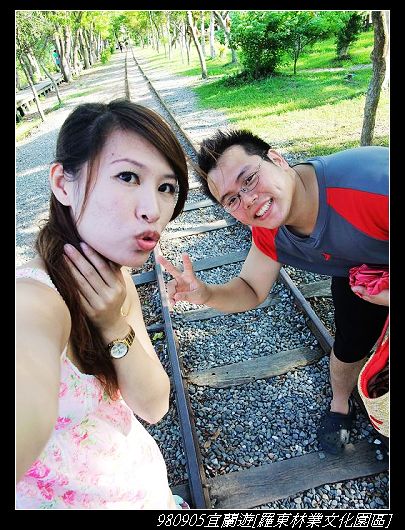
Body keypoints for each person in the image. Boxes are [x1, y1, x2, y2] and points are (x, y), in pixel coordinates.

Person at [158, 129, 388, 455]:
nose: (248, 200)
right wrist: (205, 294)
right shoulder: (269, 228)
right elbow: (251, 288)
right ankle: (340, 404)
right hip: (362, 272)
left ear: (277, 160)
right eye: (232, 200)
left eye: (249, 179)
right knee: (350, 343)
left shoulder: (372, 187)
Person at [16, 99, 190, 509]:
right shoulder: (33, 300)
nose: (153, 210)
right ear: (63, 184)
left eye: (166, 188)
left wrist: (113, 325)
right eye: (128, 176)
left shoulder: (114, 281)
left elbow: (154, 405)